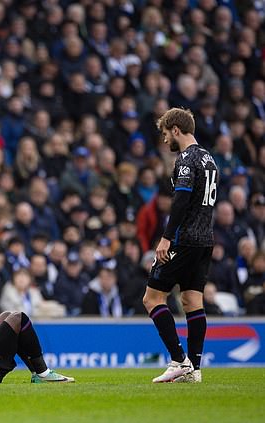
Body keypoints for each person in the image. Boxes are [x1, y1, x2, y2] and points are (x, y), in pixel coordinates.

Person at [143, 108, 218, 384]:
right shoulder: (210, 159)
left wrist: (166, 237)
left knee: (151, 298)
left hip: (184, 239)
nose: (164, 140)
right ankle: (195, 369)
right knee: (192, 301)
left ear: (176, 129)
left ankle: (178, 360)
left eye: (165, 133)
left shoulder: (186, 159)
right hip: (205, 240)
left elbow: (182, 200)